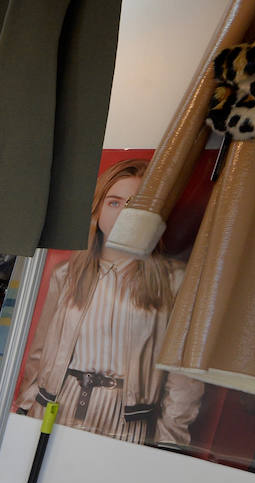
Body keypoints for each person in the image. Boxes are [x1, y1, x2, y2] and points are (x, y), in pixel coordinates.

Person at [17, 158, 203, 445]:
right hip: (56, 404)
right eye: (114, 202)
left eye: (135, 206)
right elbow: (41, 350)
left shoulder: (174, 281)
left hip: (125, 419)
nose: (123, 215)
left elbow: (183, 377)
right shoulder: (68, 273)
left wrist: (169, 441)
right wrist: (25, 407)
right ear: (98, 208)